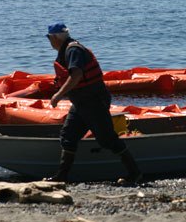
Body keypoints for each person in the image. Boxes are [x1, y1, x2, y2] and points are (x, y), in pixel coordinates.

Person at [45, 22, 142, 185]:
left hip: (93, 100)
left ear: (55, 37)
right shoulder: (66, 51)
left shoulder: (73, 50)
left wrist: (58, 95)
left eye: (49, 38)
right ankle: (61, 176)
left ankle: (134, 173)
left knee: (107, 139)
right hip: (81, 102)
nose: (49, 42)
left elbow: (76, 75)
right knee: (68, 136)